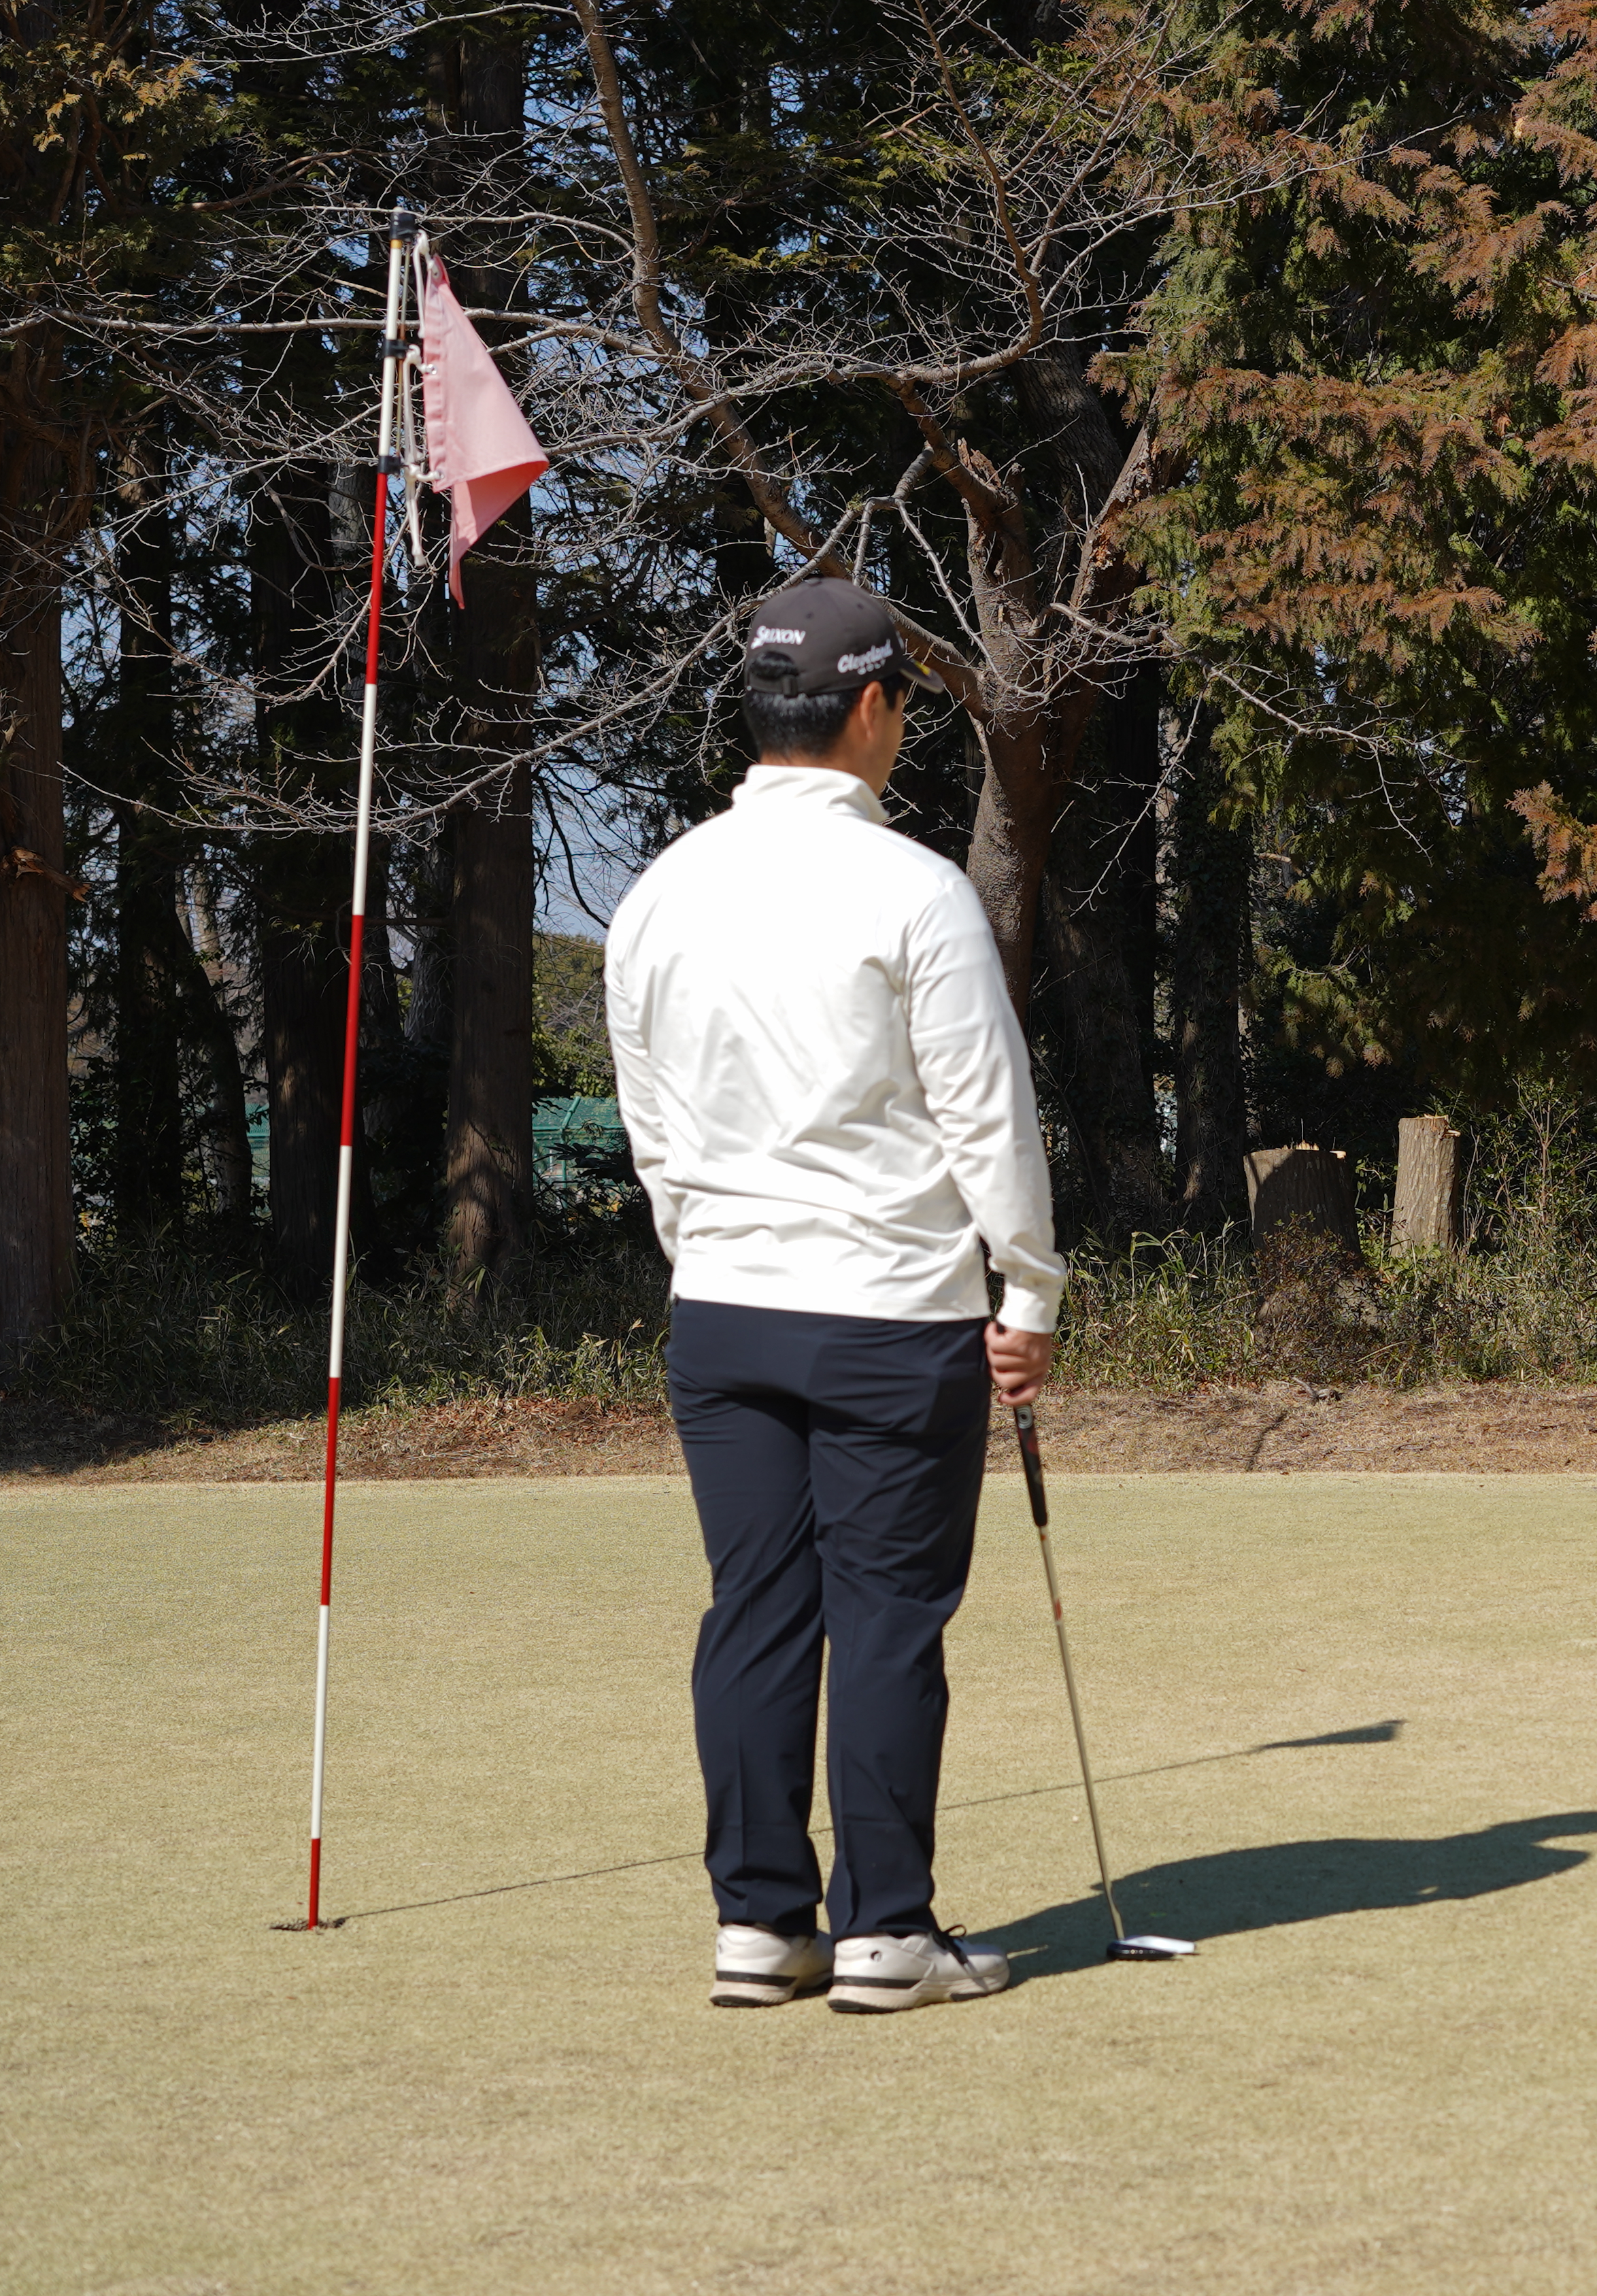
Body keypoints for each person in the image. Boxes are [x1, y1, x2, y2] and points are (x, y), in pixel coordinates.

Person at [605, 577, 1066, 2013]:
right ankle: (882, 1932)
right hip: (889, 1312)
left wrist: (709, 1253)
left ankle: (762, 1925)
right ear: (872, 708)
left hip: (724, 1310)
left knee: (753, 1609)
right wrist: (1032, 1288)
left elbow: (652, 1122)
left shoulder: (659, 887)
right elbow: (987, 1114)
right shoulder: (914, 888)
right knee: (881, 1617)